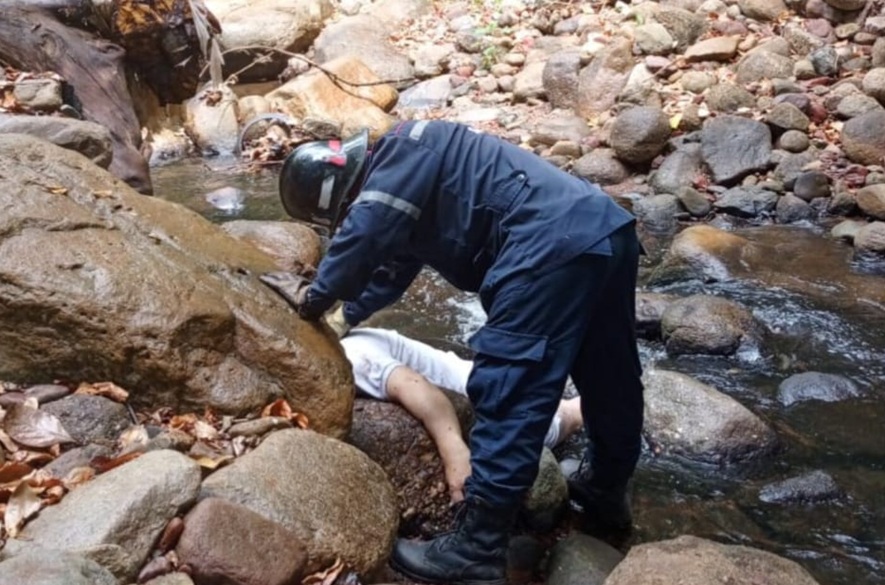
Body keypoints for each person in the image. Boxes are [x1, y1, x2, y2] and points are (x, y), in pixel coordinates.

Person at [262, 120, 644, 585]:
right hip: (604, 232)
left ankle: (477, 548)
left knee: (509, 388)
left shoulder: (398, 157)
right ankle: (606, 491)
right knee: (610, 377)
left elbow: (366, 231)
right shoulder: (411, 175)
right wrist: (344, 317)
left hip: (547, 247)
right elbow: (389, 270)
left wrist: (314, 296)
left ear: (344, 194)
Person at [338, 325, 584, 503]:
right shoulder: (344, 336)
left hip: (498, 404)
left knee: (565, 417)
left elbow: (414, 385)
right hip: (484, 375)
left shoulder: (352, 358)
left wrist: (454, 451)